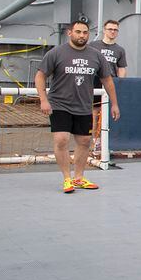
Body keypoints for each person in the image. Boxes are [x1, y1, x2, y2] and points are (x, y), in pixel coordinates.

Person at [36, 18, 120, 193]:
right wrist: (43, 99)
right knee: (61, 139)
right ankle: (67, 178)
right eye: (78, 32)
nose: (82, 36)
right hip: (59, 104)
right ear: (70, 33)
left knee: (84, 141)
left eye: (85, 32)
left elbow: (107, 80)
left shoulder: (96, 56)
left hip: (83, 105)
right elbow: (40, 76)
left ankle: (79, 178)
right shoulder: (56, 53)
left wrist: (114, 104)